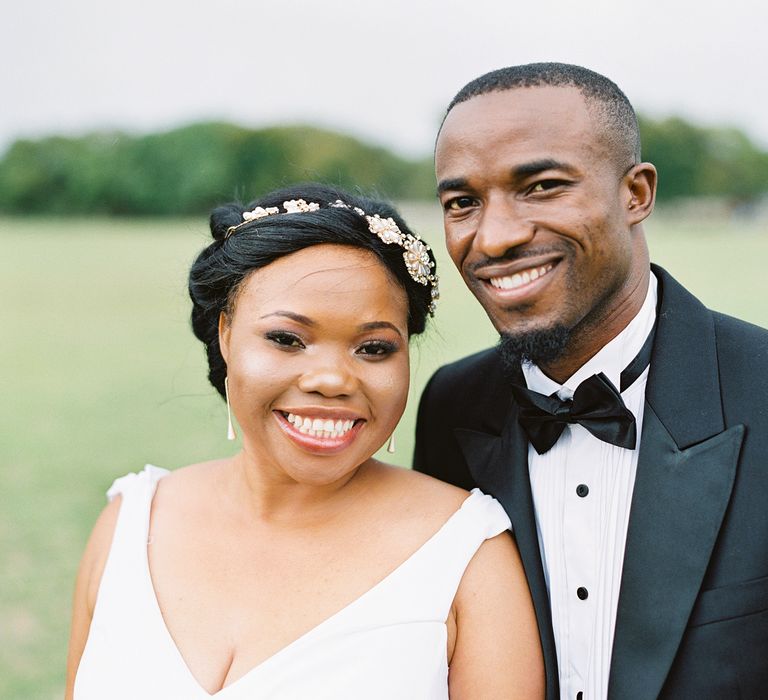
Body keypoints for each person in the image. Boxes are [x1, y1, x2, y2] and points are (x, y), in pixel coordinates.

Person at [64, 183, 544, 699]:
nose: (332, 379)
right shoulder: (130, 524)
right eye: (287, 339)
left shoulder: (470, 556)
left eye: (374, 348)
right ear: (225, 334)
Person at [414, 63, 768, 700]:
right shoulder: (450, 407)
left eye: (543, 186)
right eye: (463, 203)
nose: (494, 238)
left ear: (636, 193)